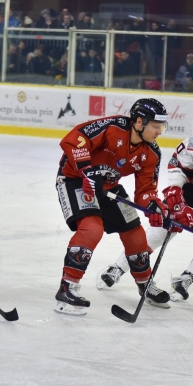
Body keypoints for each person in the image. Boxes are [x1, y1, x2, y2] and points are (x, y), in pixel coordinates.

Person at [97, 123, 193, 302]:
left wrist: (191, 216)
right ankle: (119, 266)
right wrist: (175, 191)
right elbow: (177, 166)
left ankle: (187, 278)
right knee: (161, 229)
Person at [53, 98, 171, 315]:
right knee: (92, 227)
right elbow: (75, 138)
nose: (159, 131)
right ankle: (67, 288)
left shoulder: (152, 153)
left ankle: (145, 284)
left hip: (108, 187)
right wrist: (85, 170)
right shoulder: (112, 127)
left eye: (162, 126)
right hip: (74, 179)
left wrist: (154, 205)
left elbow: (145, 191)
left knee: (135, 233)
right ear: (139, 121)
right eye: (156, 125)